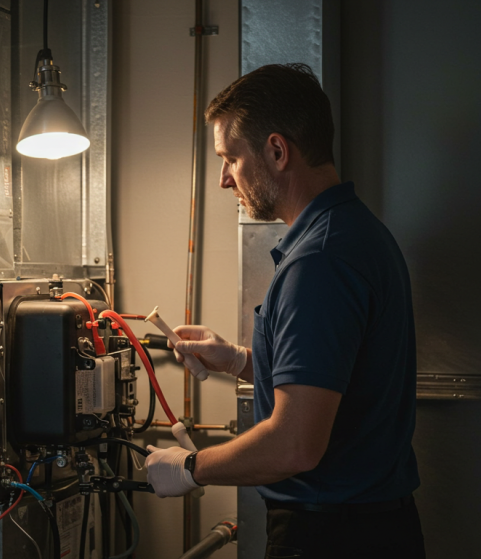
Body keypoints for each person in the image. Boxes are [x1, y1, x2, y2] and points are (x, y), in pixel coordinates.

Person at [144, 63, 425, 559]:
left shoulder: (319, 262)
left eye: (230, 159)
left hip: (332, 538)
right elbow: (340, 377)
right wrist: (238, 360)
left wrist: (189, 468)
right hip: (371, 528)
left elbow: (296, 444)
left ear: (276, 151)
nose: (225, 180)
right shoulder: (355, 233)